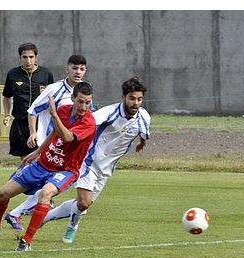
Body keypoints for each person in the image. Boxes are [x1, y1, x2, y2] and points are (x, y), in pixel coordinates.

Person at [17, 76, 151, 244]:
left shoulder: (144, 117)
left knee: (83, 205)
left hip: (106, 169)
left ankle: (46, 218)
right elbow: (87, 121)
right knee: (83, 201)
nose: (136, 103)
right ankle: (66, 226)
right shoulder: (108, 112)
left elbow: (144, 133)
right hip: (88, 162)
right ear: (123, 97)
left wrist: (141, 143)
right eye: (132, 98)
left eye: (139, 99)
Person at [0, 82, 97, 251]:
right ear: (73, 98)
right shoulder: (63, 111)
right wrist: (38, 151)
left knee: (46, 194)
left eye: (88, 102)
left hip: (65, 170)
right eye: (80, 101)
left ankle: (26, 242)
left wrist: (54, 115)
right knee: (3, 194)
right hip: (43, 163)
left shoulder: (89, 122)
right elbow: (55, 132)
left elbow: (67, 137)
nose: (84, 106)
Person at [3, 54, 88, 230]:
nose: (78, 72)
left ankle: (15, 214)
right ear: (67, 69)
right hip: (48, 147)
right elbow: (33, 110)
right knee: (45, 190)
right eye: (74, 68)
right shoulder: (54, 89)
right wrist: (33, 134)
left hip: (67, 150)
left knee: (47, 191)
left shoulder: (83, 95)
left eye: (81, 69)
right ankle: (15, 214)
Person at [2, 42, 54, 159]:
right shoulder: (13, 74)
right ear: (20, 58)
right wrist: (7, 115)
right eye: (25, 57)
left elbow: (52, 97)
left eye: (31, 57)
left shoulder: (46, 74)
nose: (28, 60)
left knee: (40, 158)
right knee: (25, 160)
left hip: (40, 122)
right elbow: (6, 96)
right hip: (20, 123)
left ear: (36, 57)